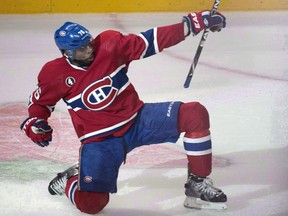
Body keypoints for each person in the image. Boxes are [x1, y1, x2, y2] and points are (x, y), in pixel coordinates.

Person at [20, 9, 227, 214]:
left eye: (89, 43)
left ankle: (197, 183)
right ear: (67, 53)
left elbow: (151, 41)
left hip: (138, 119)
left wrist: (190, 25)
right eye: (82, 49)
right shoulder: (54, 73)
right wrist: (35, 123)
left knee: (194, 114)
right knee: (91, 205)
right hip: (101, 141)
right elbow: (40, 104)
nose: (89, 50)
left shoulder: (109, 44)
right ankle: (68, 181)